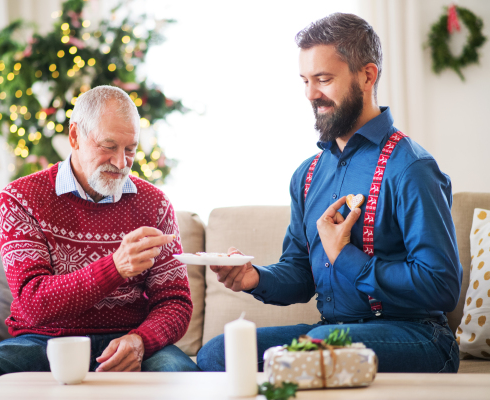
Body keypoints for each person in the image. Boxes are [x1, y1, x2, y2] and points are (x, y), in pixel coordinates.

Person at [197, 13, 462, 373]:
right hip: (333, 332)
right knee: (221, 352)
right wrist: (255, 278)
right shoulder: (307, 175)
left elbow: (441, 286)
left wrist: (345, 255)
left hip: (416, 336)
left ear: (367, 76)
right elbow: (301, 273)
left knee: (305, 355)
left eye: (324, 79)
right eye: (305, 80)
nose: (311, 94)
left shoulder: (411, 168)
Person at [0, 86, 199, 397]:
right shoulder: (21, 198)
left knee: (182, 376)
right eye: (109, 146)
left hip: (127, 338)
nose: (121, 163)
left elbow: (175, 301)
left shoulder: (154, 204)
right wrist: (116, 267)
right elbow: (33, 302)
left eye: (130, 149)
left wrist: (141, 340)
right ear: (75, 136)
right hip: (45, 341)